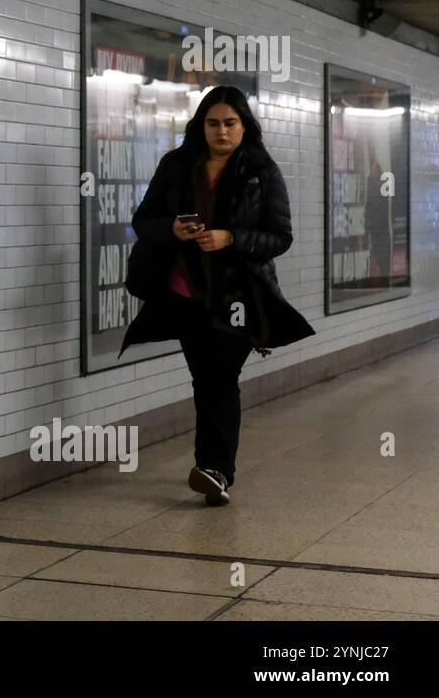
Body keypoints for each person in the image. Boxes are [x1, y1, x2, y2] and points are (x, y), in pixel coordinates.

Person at [121, 85, 314, 506]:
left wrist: (233, 237)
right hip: (186, 291)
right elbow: (143, 220)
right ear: (201, 125)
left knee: (220, 377)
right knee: (206, 379)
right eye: (213, 123)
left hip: (239, 296)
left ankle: (215, 469)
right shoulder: (176, 165)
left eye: (230, 123)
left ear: (244, 126)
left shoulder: (261, 171)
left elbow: (280, 237)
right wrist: (171, 229)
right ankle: (213, 470)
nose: (221, 131)